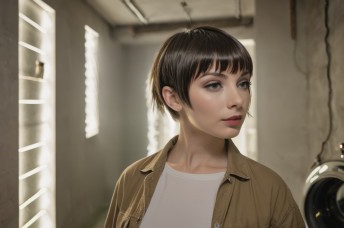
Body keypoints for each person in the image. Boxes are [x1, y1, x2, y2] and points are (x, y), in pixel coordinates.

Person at [105, 26, 305, 228]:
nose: (238, 100)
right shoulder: (131, 180)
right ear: (173, 98)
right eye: (214, 85)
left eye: (243, 83)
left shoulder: (270, 189)